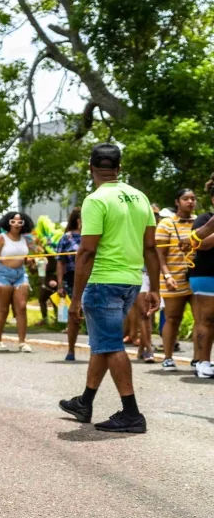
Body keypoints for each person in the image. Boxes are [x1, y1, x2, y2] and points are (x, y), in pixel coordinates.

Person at [60, 144, 159, 433]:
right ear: (119, 167)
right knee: (103, 343)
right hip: (131, 280)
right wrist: (156, 288)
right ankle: (84, 402)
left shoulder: (96, 199)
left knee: (110, 345)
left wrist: (75, 298)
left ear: (91, 167)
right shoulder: (140, 198)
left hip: (103, 281)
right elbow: (150, 247)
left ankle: (131, 414)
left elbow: (87, 252)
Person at [154, 188, 197, 371]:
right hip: (173, 278)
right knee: (172, 318)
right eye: (186, 198)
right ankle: (168, 357)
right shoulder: (166, 224)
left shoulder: (201, 222)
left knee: (203, 320)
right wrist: (167, 275)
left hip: (196, 277)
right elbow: (160, 255)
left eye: (193, 199)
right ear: (177, 201)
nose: (190, 202)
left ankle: (198, 359)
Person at [0, 211, 36, 352]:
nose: (17, 225)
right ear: (8, 222)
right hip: (3, 274)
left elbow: (27, 257)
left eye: (20, 222)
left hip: (20, 274)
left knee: (22, 307)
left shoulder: (25, 239)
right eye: (14, 221)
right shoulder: (1, 238)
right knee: (3, 309)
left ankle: (22, 342)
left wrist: (30, 262)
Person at [185, 174, 214, 378]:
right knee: (207, 319)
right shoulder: (203, 220)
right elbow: (203, 243)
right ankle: (203, 362)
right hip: (206, 274)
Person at [56, 208, 82, 360]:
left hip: (93, 277)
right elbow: (60, 262)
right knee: (74, 315)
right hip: (72, 278)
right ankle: (71, 350)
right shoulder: (67, 238)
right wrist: (60, 284)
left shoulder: (93, 236)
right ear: (77, 220)